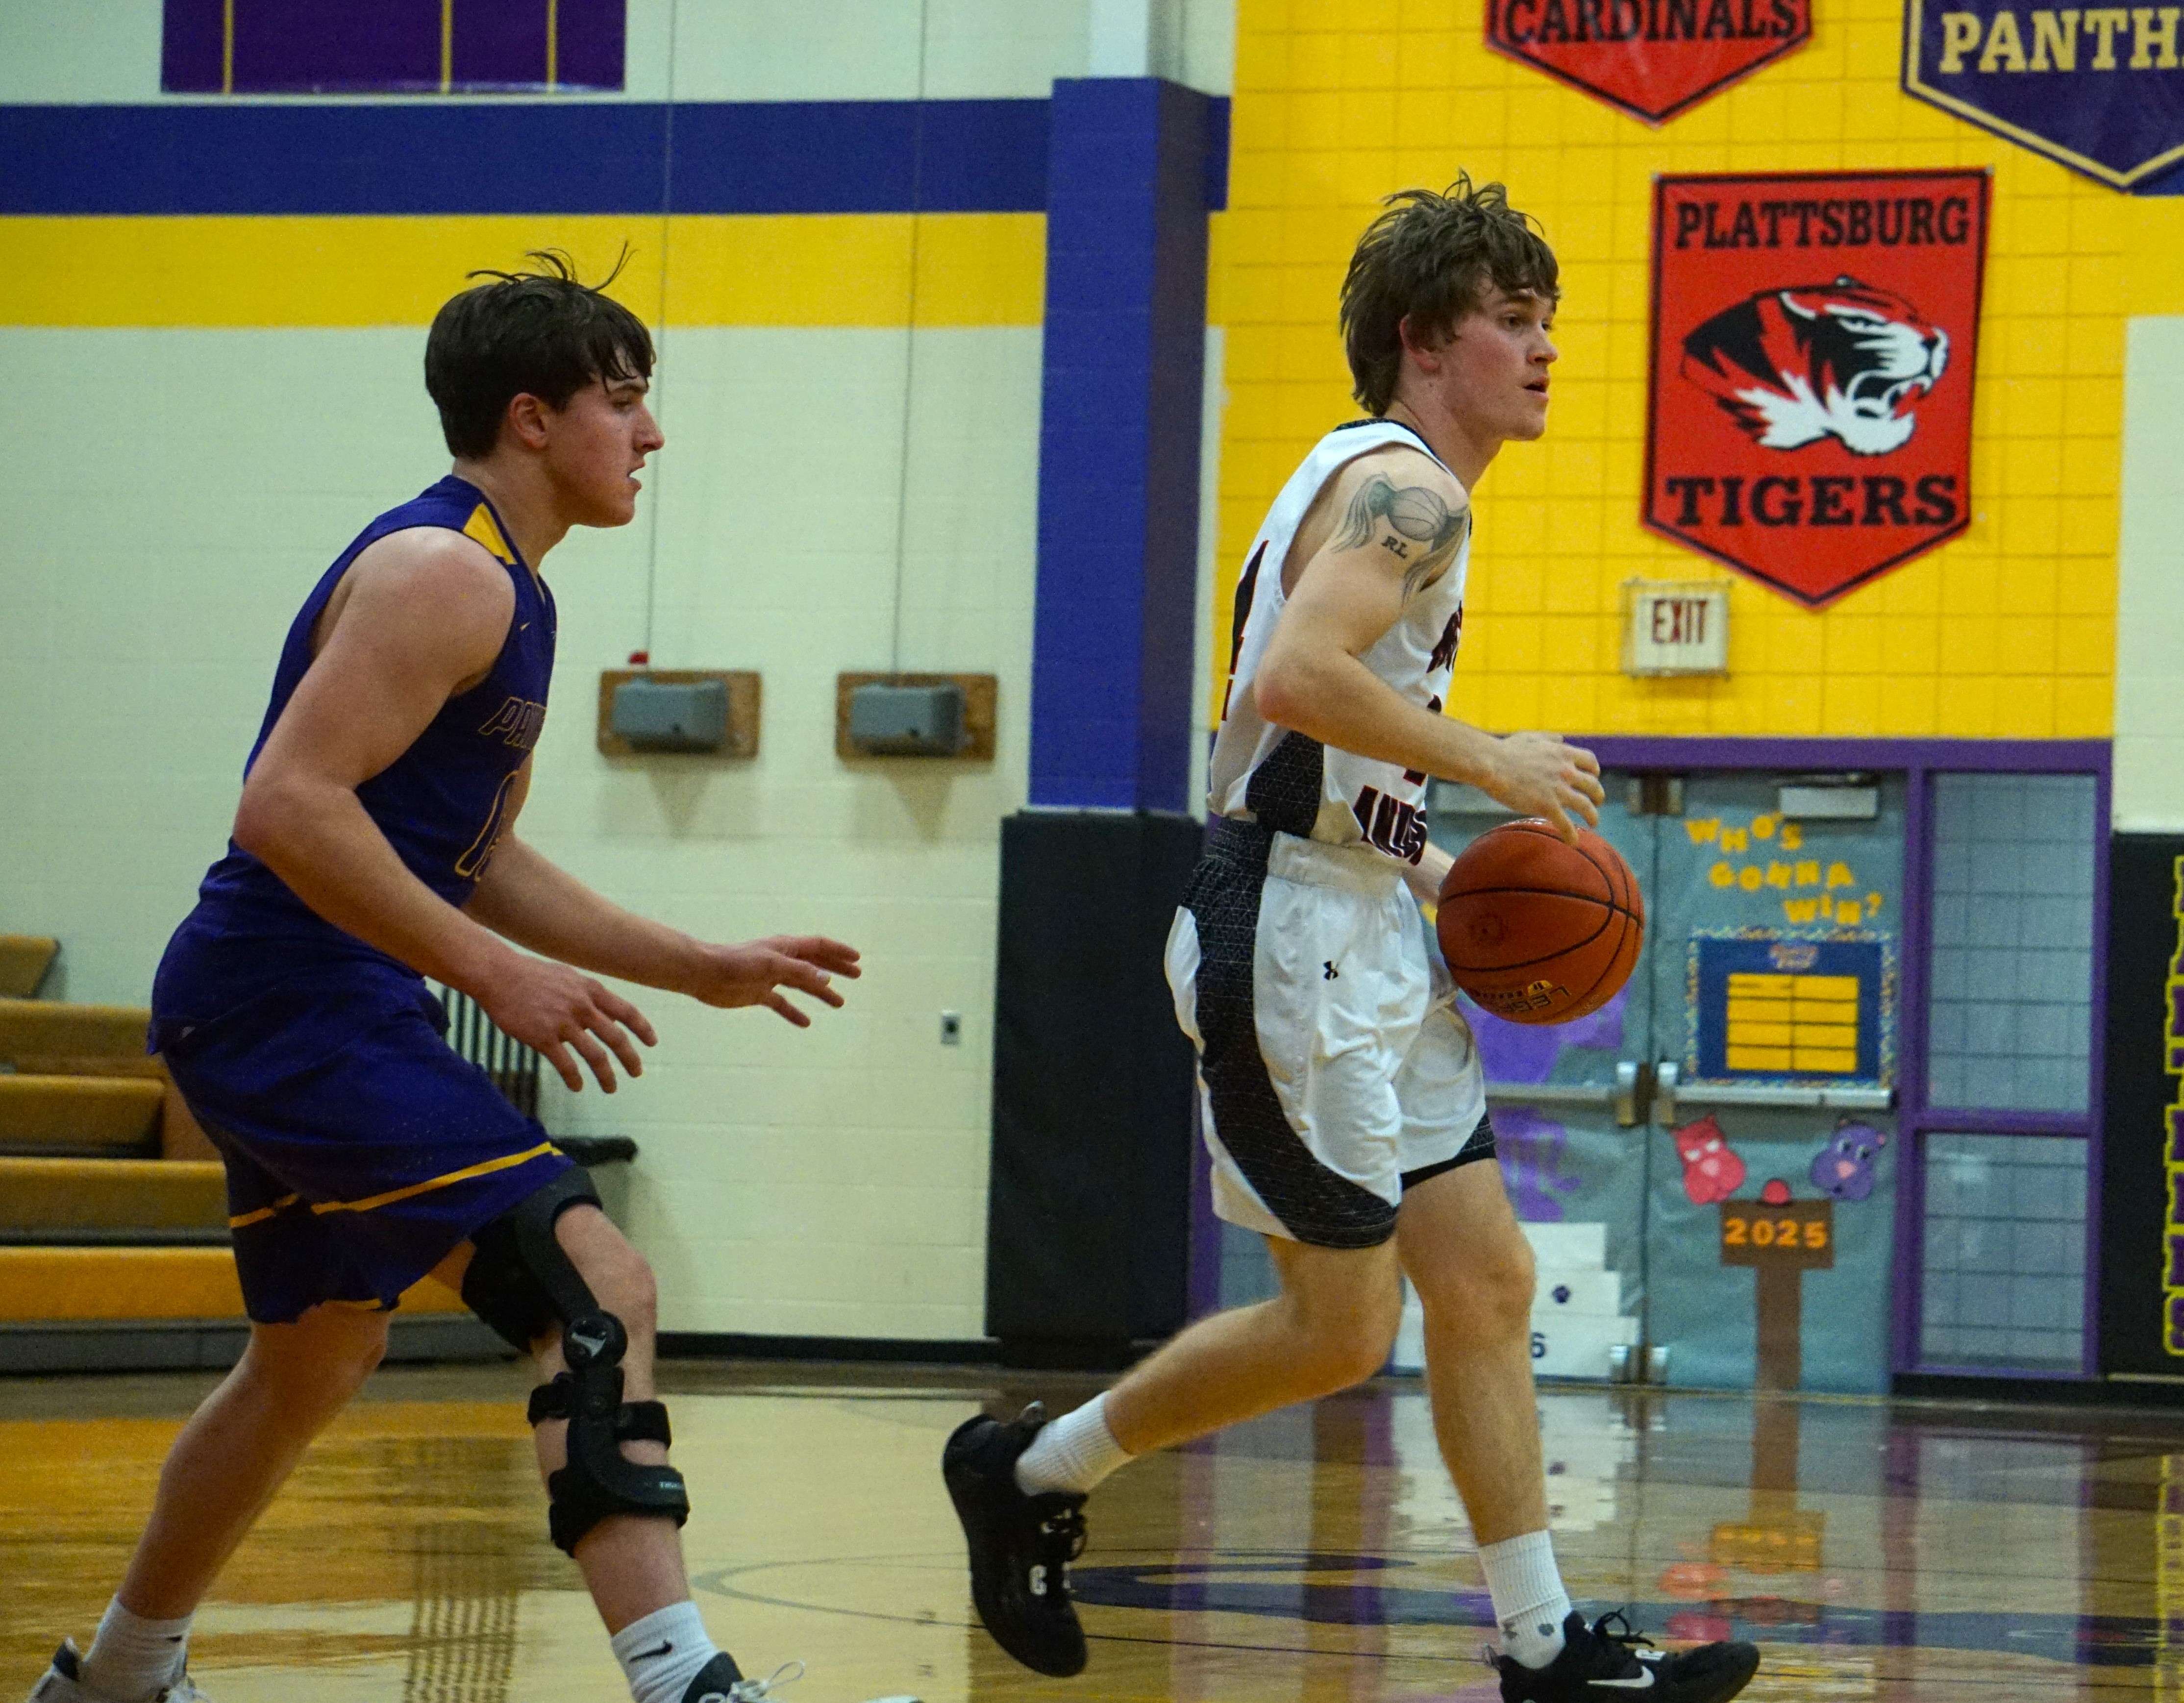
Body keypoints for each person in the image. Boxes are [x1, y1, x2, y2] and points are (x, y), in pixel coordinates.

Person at [943, 179, 1762, 1703]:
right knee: (1341, 1327)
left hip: (1362, 915)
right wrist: (1493, 760)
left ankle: (1541, 1645)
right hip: (1289, 936)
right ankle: (1030, 1467)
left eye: (1548, 325)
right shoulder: (1412, 492)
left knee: (1489, 1283)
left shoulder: (1389, 488)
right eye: (1513, 322)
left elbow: (1306, 747)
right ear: (1421, 339)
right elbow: (1301, 675)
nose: (1544, 352)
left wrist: (1440, 861)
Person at [27, 254, 869, 1703]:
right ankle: (687, 1685)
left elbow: (475, 855)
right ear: (531, 418)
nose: (652, 435)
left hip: (296, 1001)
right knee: (593, 1283)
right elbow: (286, 803)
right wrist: (503, 980)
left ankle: (113, 1681)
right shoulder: (444, 572)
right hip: (286, 995)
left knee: (310, 1359)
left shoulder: (506, 588)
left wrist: (700, 964)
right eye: (625, 401)